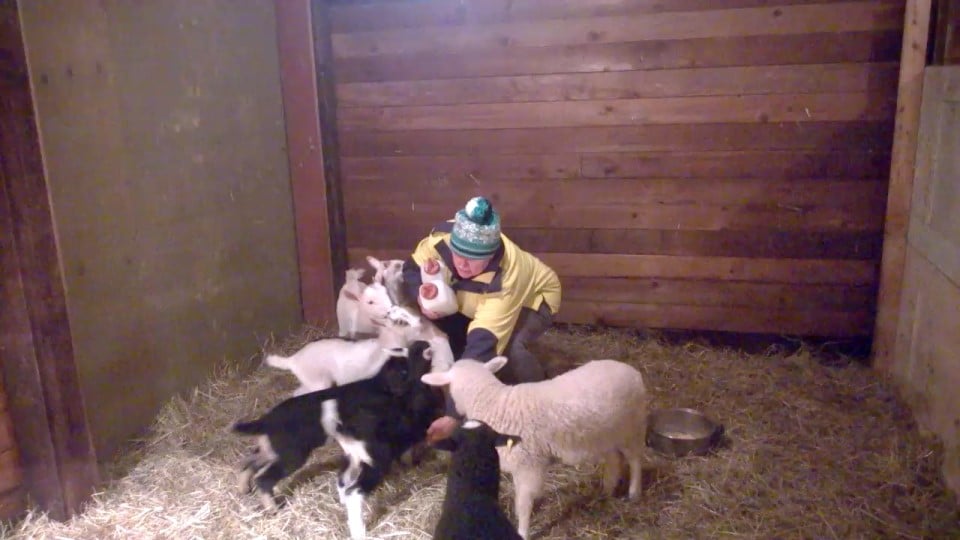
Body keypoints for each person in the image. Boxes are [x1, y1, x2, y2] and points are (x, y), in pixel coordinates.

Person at [400, 196, 562, 443]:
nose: (463, 264)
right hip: (473, 297)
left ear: (491, 255)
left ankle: (539, 409)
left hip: (533, 299)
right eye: (459, 254)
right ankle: (477, 398)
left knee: (509, 349)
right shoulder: (441, 239)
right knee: (452, 333)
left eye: (475, 258)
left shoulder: (507, 278)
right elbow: (412, 268)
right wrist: (422, 298)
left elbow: (484, 341)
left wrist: (453, 415)